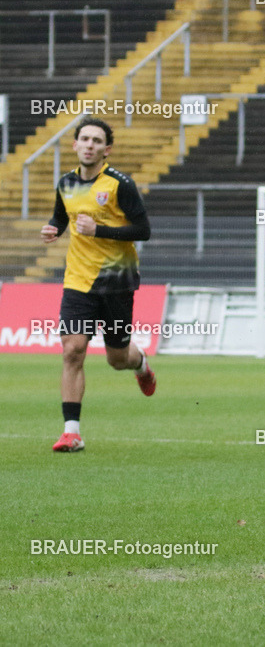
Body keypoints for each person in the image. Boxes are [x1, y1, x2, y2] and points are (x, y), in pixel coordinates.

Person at [41, 117, 155, 453]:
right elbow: (63, 217)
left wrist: (100, 231)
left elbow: (143, 230)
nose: (90, 145)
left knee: (116, 358)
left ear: (107, 149)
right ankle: (71, 432)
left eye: (97, 140)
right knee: (73, 350)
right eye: (84, 139)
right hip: (77, 281)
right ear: (75, 145)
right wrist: (53, 228)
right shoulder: (66, 183)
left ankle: (141, 364)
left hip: (117, 282)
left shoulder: (121, 184)